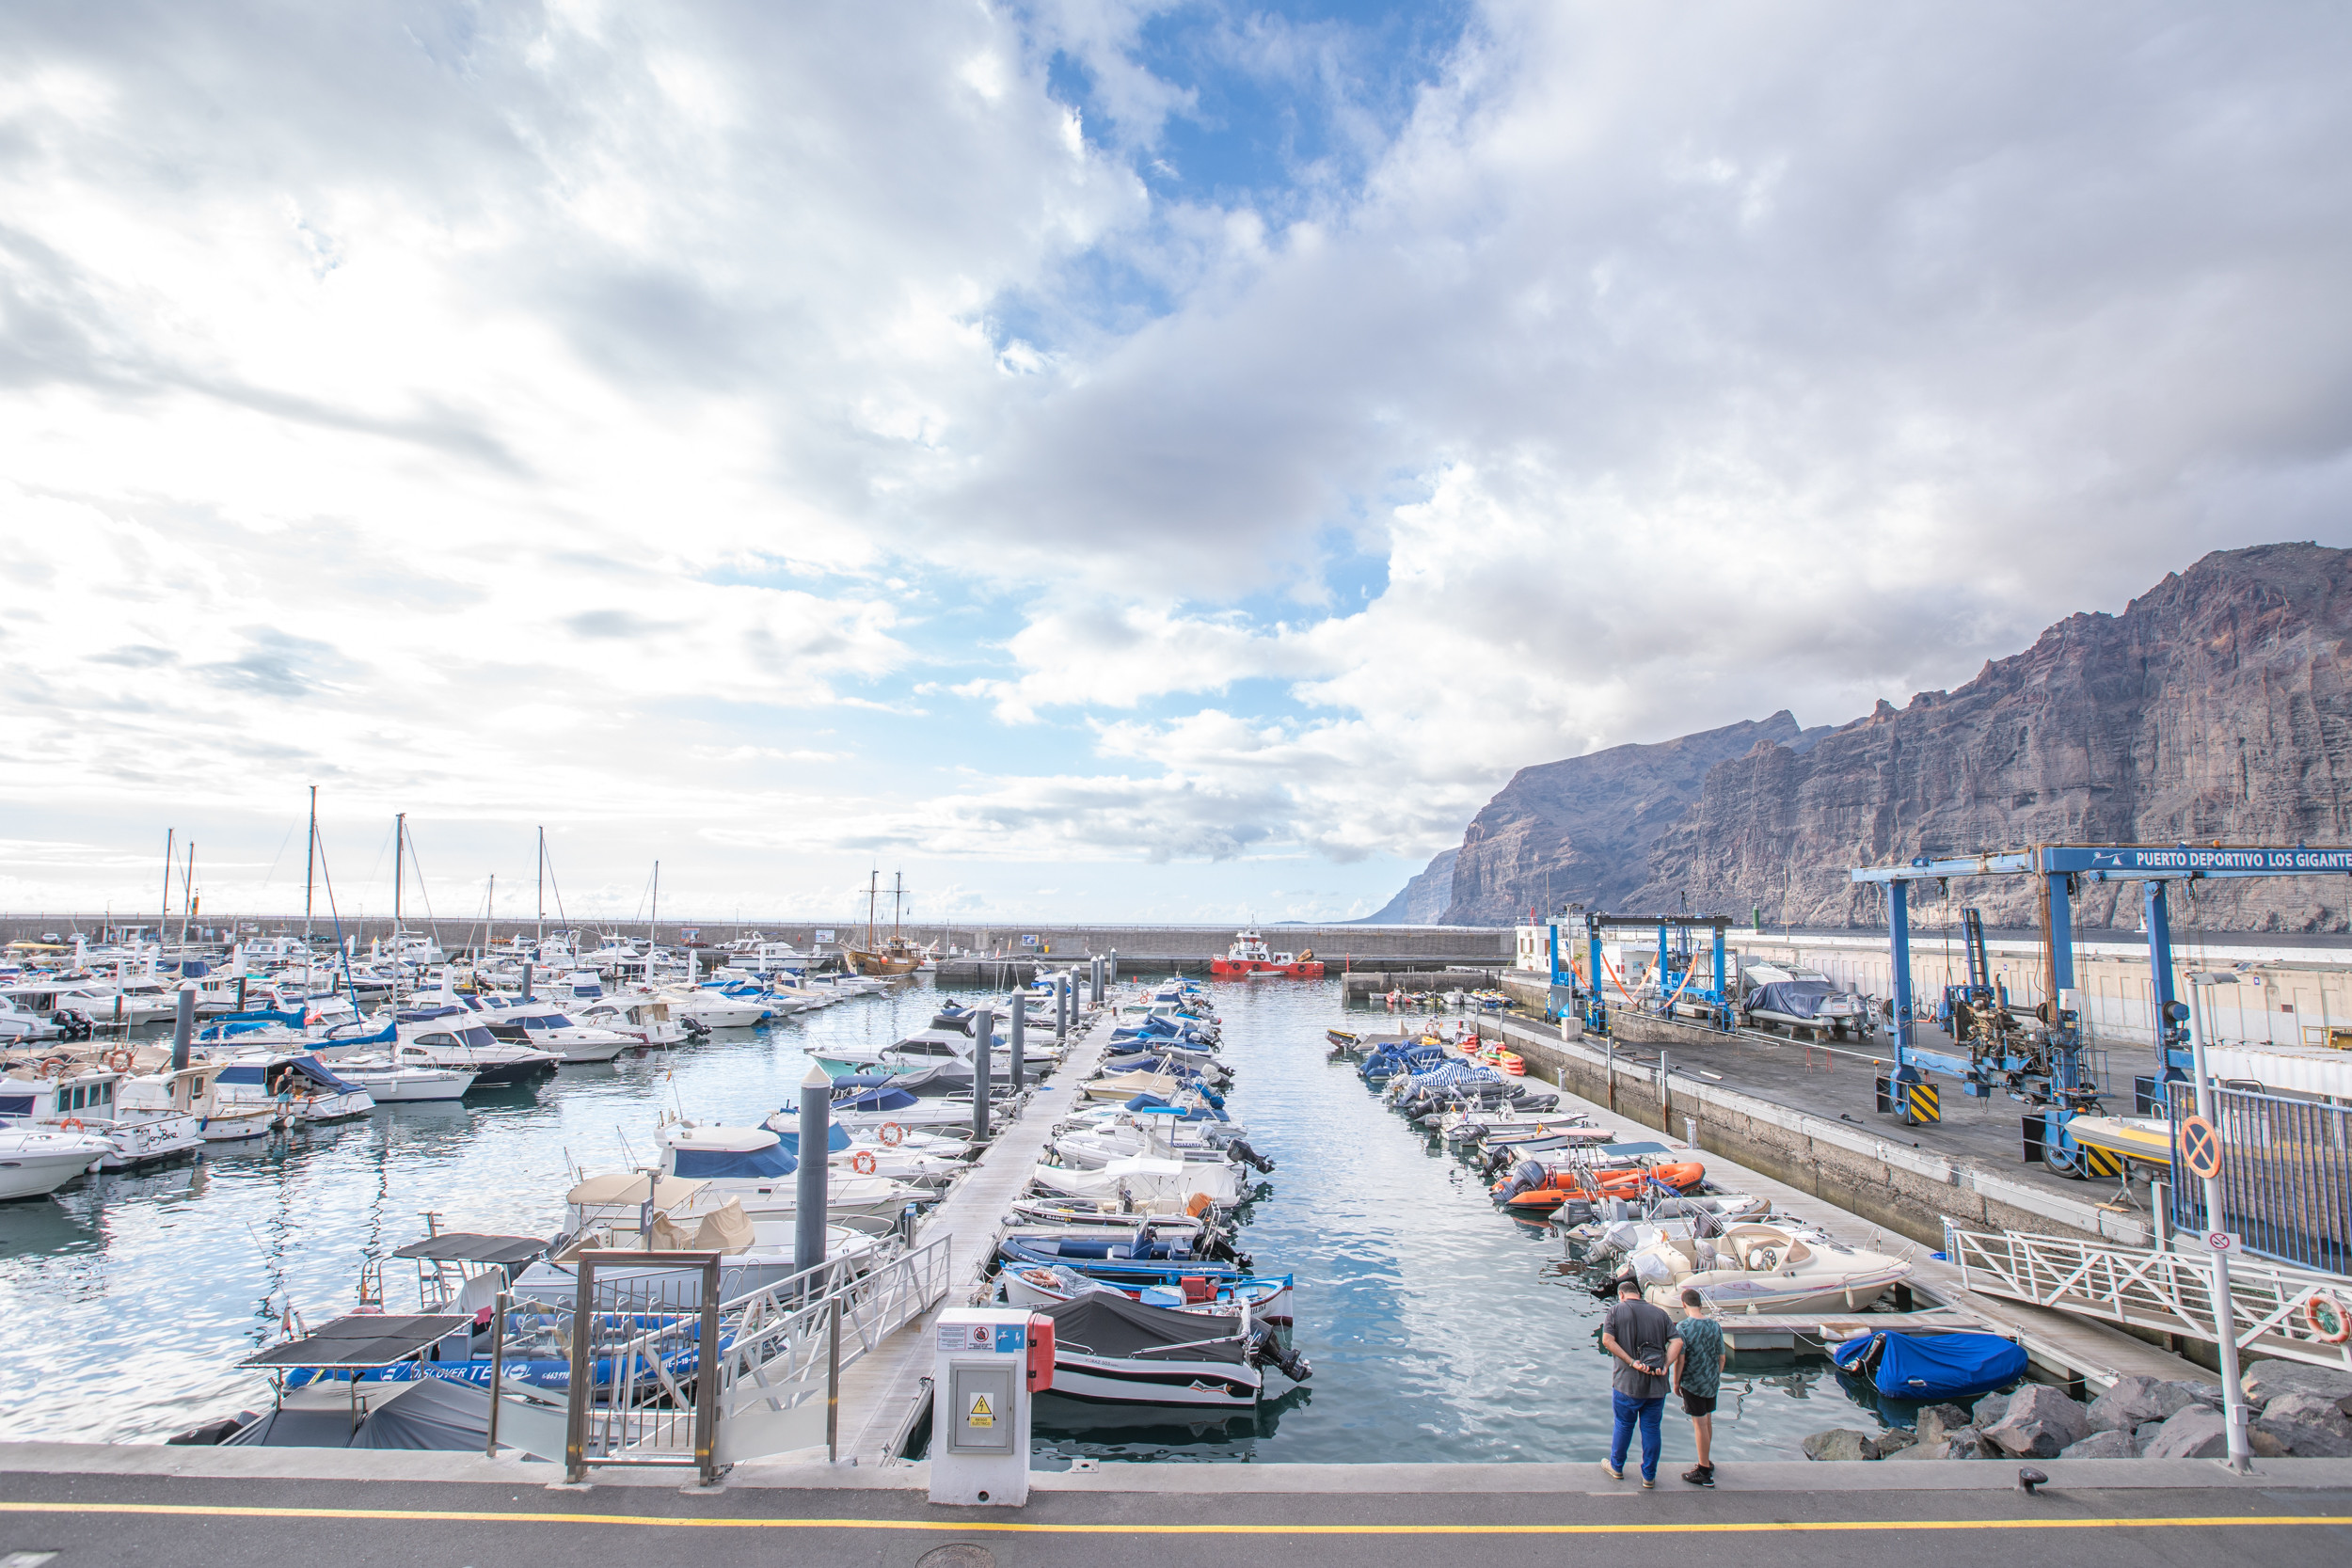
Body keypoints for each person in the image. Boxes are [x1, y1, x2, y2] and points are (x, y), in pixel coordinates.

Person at [1599, 1276, 1673, 1487]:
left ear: (1621, 1295)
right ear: (1639, 1294)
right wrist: (1666, 1364)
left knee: (1623, 1424)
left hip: (1627, 1384)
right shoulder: (1660, 1313)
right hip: (1657, 1384)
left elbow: (1607, 1341)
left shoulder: (1615, 1311)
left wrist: (1631, 1362)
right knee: (1651, 1428)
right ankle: (1649, 1476)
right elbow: (1676, 1341)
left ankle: (1617, 1467)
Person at [1666, 1287, 1728, 1487]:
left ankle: (1703, 1472)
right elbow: (1722, 1357)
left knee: (1699, 1424)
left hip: (1693, 1382)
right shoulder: (1714, 1326)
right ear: (1700, 1304)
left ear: (1684, 1304)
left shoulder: (1684, 1327)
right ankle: (1707, 1461)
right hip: (1711, 1381)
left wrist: (1676, 1383)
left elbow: (1680, 1360)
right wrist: (1715, 1376)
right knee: (1708, 1420)